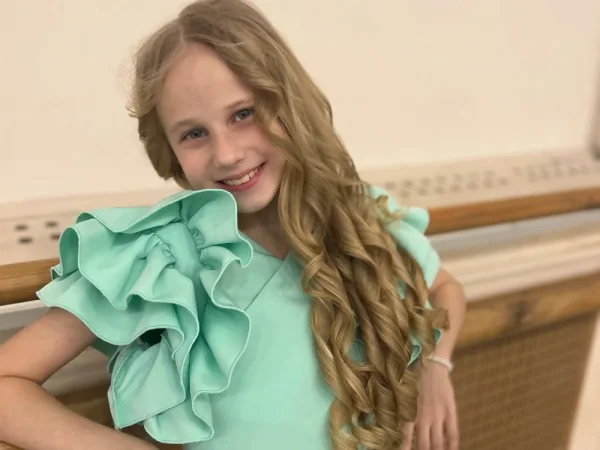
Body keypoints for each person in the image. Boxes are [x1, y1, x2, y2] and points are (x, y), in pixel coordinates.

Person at [0, 0, 466, 449]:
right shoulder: (164, 256)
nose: (226, 154)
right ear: (169, 149)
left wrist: (435, 367)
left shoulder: (361, 216)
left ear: (289, 104)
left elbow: (445, 288)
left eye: (243, 114)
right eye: (194, 133)